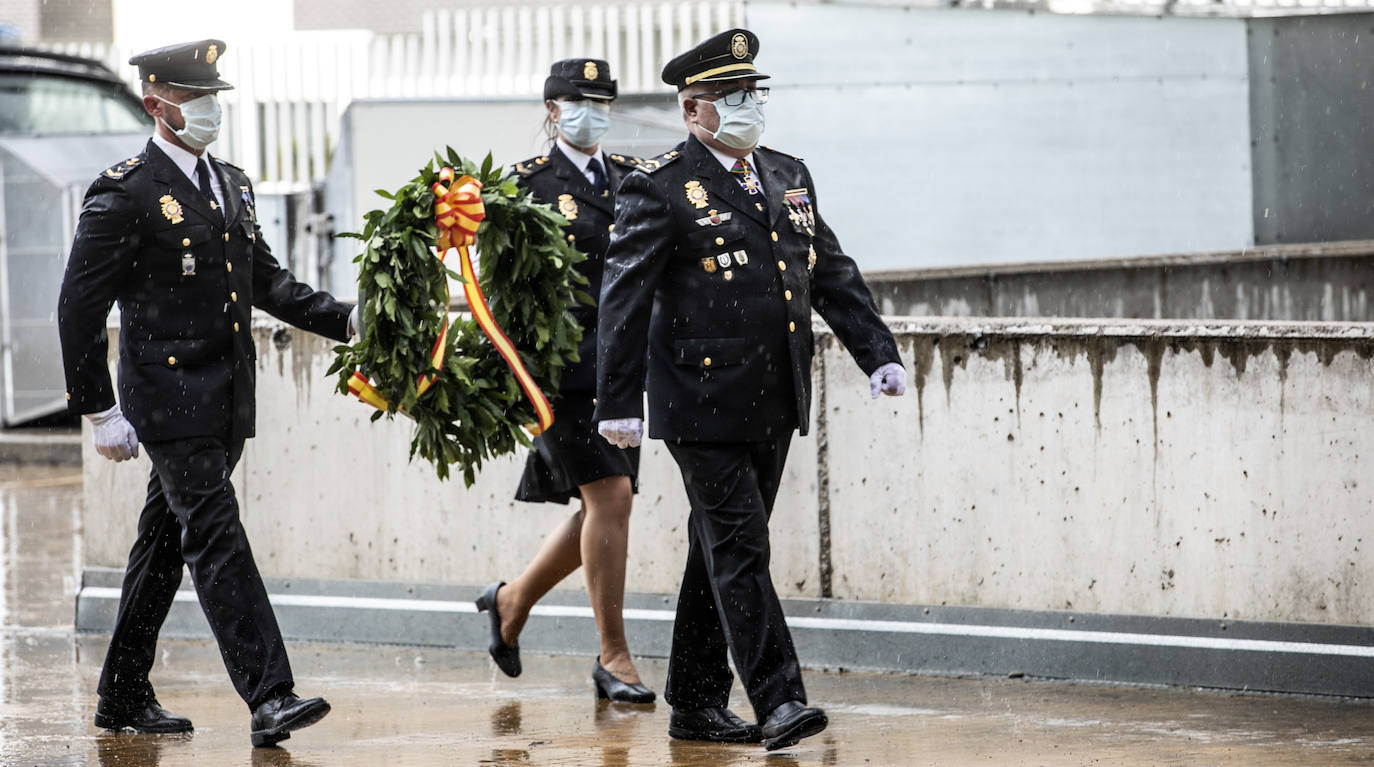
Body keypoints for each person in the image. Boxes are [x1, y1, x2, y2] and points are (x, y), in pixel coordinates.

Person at [593, 29, 908, 751]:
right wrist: (618, 401)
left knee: (718, 552)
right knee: (742, 549)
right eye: (730, 97)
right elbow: (624, 299)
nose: (746, 106)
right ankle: (779, 698)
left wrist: (875, 351)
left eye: (752, 93)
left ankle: (696, 702)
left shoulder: (788, 174)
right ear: (691, 108)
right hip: (700, 405)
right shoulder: (660, 182)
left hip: (775, 398)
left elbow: (829, 270)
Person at [57, 40, 355, 747]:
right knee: (217, 538)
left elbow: (266, 281)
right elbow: (76, 305)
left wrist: (346, 318)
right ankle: (269, 693)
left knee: (163, 546)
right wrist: (99, 409)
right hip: (167, 400)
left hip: (225, 399)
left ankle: (123, 692)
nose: (210, 110)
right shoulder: (125, 191)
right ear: (156, 104)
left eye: (214, 97)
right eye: (196, 100)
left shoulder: (232, 183)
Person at [475, 58, 654, 704]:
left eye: (603, 102)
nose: (594, 112)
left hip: (620, 373)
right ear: (552, 110)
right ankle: (614, 656)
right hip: (559, 374)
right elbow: (492, 278)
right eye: (580, 101)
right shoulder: (525, 185)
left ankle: (511, 601)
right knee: (611, 496)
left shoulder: (634, 180)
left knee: (603, 502)